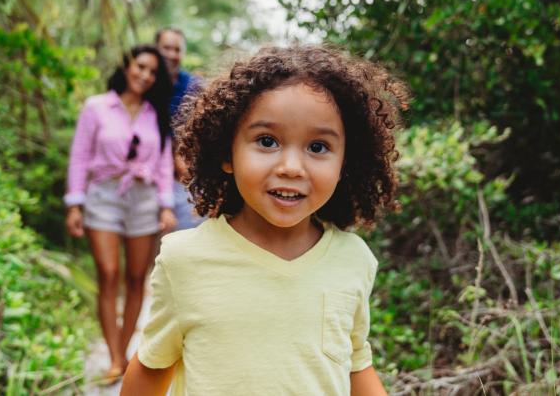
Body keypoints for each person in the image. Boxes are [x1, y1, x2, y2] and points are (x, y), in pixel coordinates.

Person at [121, 45, 408, 395]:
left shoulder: (354, 260)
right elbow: (151, 368)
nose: (290, 167)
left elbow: (356, 365)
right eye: (267, 141)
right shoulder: (185, 259)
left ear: (345, 163)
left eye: (318, 147)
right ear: (228, 153)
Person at [64, 45, 177, 383]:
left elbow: (163, 163)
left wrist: (166, 204)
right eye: (140, 67)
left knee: (136, 278)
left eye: (152, 72)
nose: (144, 75)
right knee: (109, 273)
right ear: (127, 66)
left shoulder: (155, 113)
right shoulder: (96, 107)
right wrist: (74, 203)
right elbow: (80, 156)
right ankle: (115, 358)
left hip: (142, 199)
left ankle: (126, 352)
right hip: (103, 196)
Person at [155, 27, 204, 230]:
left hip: (182, 180)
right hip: (145, 178)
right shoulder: (143, 84)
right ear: (155, 49)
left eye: (177, 49)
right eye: (166, 48)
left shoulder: (194, 87)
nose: (171, 54)